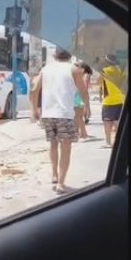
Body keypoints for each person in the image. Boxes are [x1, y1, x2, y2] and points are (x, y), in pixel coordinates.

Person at [32, 48, 90, 193]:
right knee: (66, 148)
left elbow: (34, 90)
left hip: (48, 114)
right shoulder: (74, 69)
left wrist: (34, 109)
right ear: (69, 56)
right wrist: (87, 107)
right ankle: (61, 183)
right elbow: (83, 90)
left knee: (53, 144)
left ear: (54, 55)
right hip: (65, 113)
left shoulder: (45, 69)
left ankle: (54, 174)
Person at [99, 55, 126, 148]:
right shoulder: (118, 70)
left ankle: (108, 142)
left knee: (107, 122)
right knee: (117, 121)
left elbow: (99, 83)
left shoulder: (104, 71)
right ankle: (119, 142)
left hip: (109, 100)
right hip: (119, 99)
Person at [73, 61, 94, 139]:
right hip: (79, 95)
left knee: (77, 116)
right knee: (79, 116)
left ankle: (79, 133)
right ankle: (82, 133)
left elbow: (84, 86)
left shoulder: (81, 74)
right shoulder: (83, 74)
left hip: (77, 95)